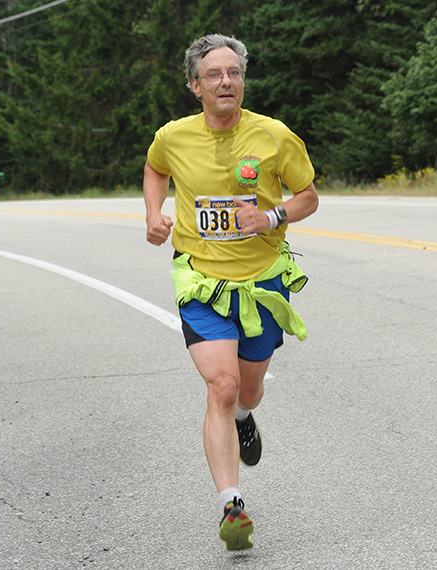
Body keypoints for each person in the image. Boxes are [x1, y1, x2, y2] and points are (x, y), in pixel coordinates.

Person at [142, 33, 318, 551]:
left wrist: (271, 216)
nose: (226, 81)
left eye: (234, 73)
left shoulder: (274, 135)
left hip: (262, 283)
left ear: (243, 81)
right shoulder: (173, 137)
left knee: (247, 390)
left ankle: (245, 417)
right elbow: (155, 168)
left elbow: (308, 196)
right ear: (195, 86)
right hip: (202, 282)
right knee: (221, 385)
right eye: (214, 74)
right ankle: (232, 505)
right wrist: (153, 214)